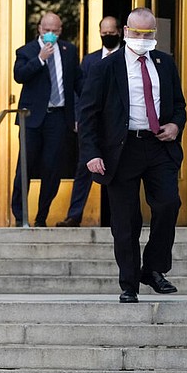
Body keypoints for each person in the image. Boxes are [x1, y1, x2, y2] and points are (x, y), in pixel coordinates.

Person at [78, 7, 186, 303]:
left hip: (158, 146)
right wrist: (91, 153)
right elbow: (87, 114)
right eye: (136, 32)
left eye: (147, 33)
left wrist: (176, 125)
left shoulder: (165, 63)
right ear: (125, 32)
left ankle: (152, 269)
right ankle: (129, 284)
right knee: (125, 221)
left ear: (154, 33)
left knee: (168, 204)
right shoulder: (105, 67)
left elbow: (179, 104)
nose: (141, 38)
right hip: (120, 151)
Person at [11, 11, 81, 227]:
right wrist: (40, 59)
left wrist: (80, 115)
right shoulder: (26, 51)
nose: (50, 34)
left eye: (55, 31)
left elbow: (78, 84)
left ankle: (42, 217)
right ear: (39, 29)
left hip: (58, 118)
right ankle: (20, 217)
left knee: (52, 169)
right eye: (46, 30)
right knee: (26, 168)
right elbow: (19, 75)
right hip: (31, 119)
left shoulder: (69, 51)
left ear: (60, 31)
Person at [56, 16, 122, 227]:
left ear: (119, 32)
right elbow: (82, 94)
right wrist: (78, 118)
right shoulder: (90, 60)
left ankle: (118, 218)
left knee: (121, 171)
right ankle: (74, 215)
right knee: (84, 169)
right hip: (94, 126)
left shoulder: (126, 57)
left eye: (111, 32)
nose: (107, 36)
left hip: (119, 126)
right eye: (104, 32)